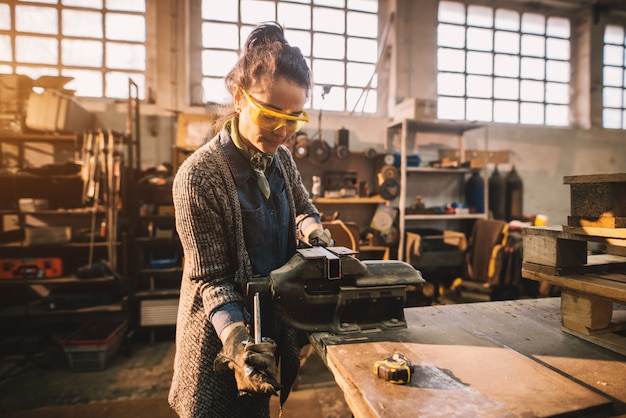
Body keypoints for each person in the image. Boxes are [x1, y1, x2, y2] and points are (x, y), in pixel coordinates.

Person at [168, 22, 332, 418]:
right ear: (239, 97)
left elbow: (302, 210)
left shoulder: (282, 160)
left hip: (268, 328)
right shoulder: (197, 177)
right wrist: (239, 345)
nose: (283, 130)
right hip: (219, 340)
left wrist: (316, 234)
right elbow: (212, 280)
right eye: (271, 113)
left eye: (294, 117)